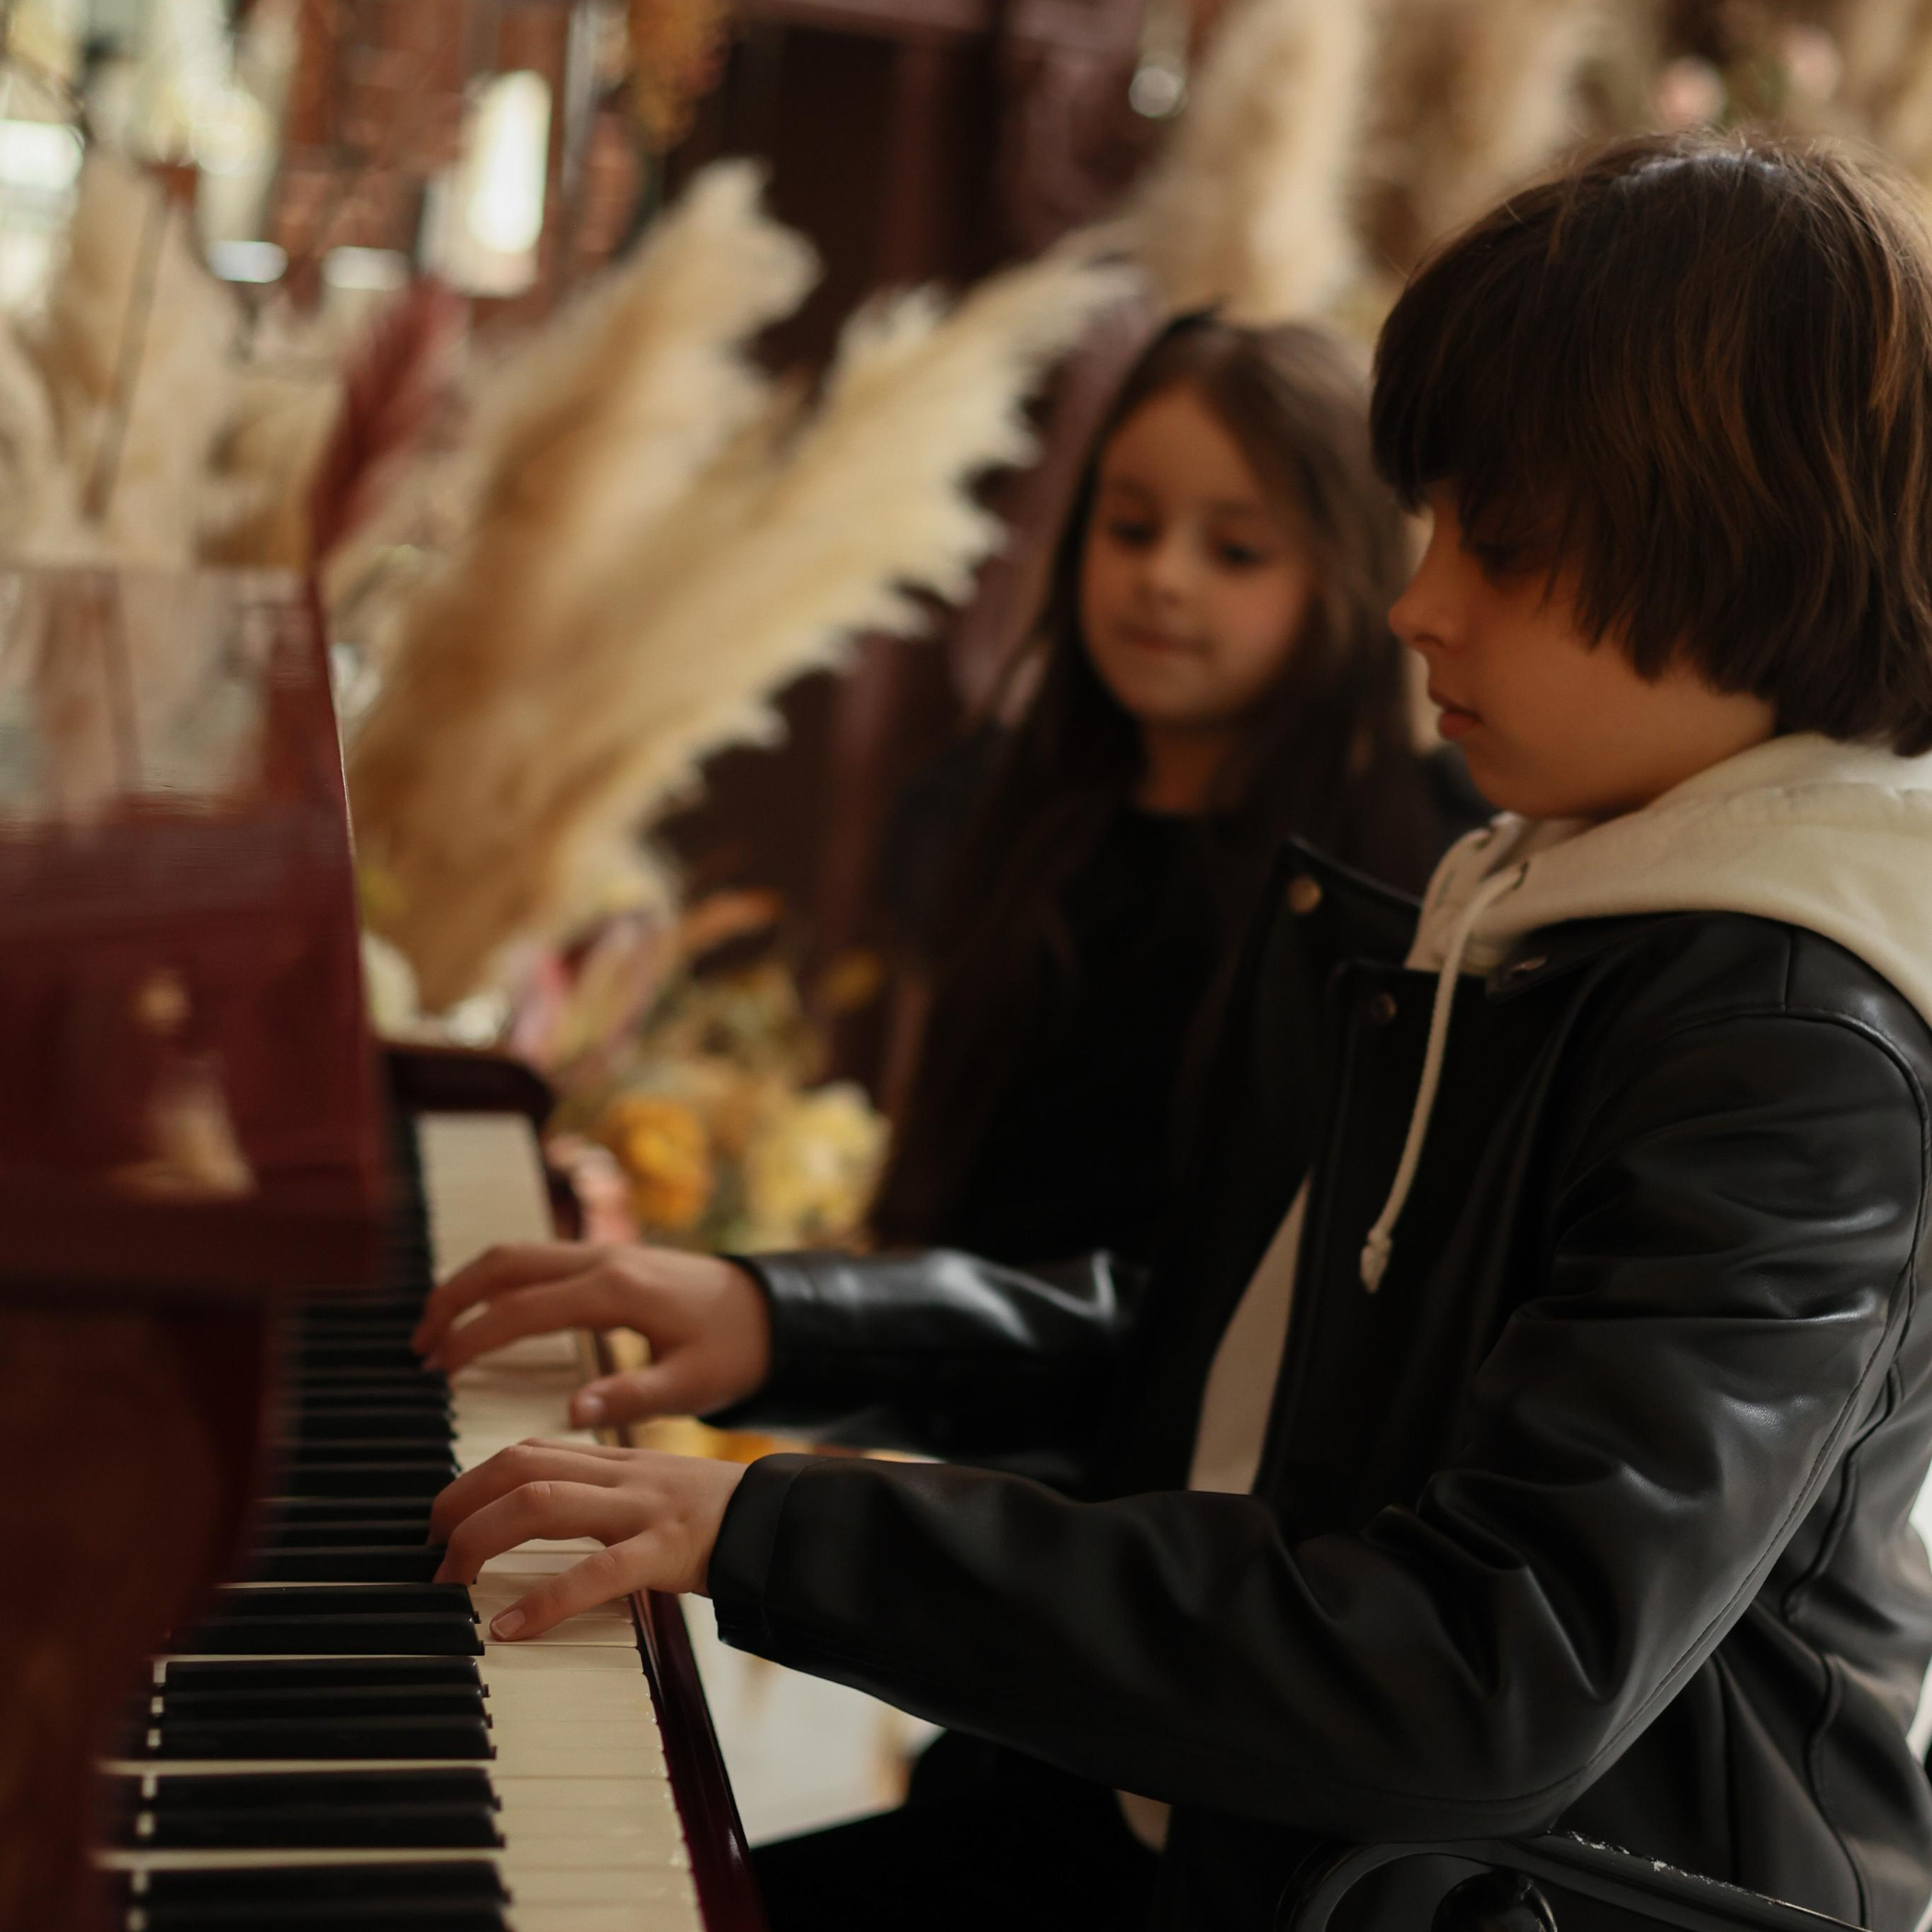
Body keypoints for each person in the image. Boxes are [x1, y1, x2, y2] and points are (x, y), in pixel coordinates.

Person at [414, 131, 1932, 1932]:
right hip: (1232, 1827)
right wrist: (779, 1315)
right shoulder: (1558, 890)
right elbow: (1238, 1355)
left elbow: (1486, 1664)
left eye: (1500, 543)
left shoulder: (1785, 1043)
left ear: (1742, 550)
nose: (1414, 599)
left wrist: (776, 1534)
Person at [869, 314, 1481, 1272]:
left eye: (1235, 552)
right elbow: (924, 1138)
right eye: (1130, 528)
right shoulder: (985, 803)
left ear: (1345, 578)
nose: (1161, 578)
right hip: (950, 1380)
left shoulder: (1416, 862)